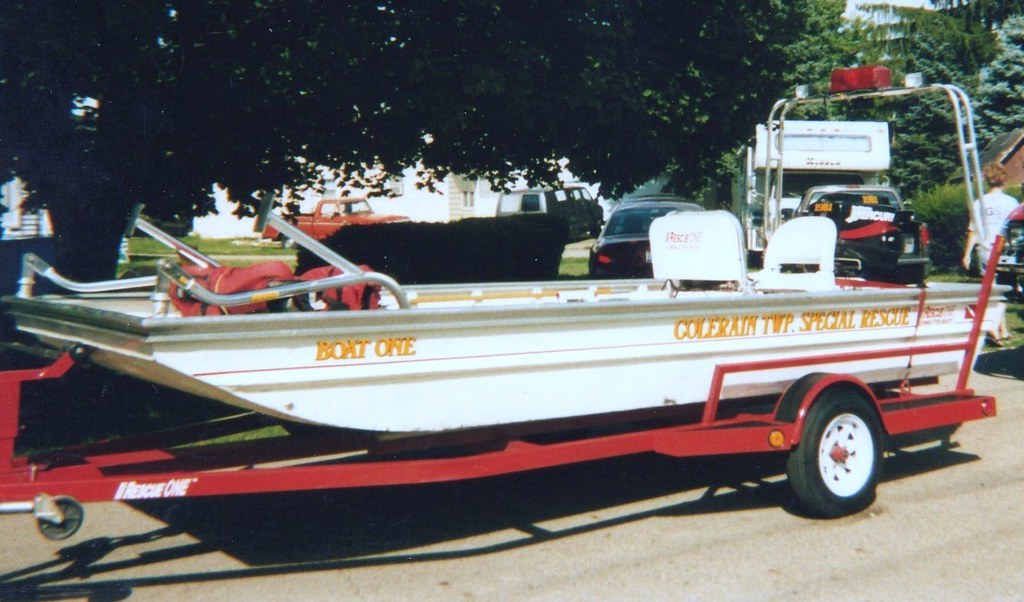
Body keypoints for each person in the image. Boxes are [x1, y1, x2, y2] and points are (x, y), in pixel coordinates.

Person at [962, 162, 1021, 271]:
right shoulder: (1012, 202)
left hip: (985, 250)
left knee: (989, 285)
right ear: (1004, 179)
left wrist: (967, 254)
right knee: (1012, 285)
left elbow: (973, 230)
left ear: (987, 180)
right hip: (1006, 251)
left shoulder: (979, 203)